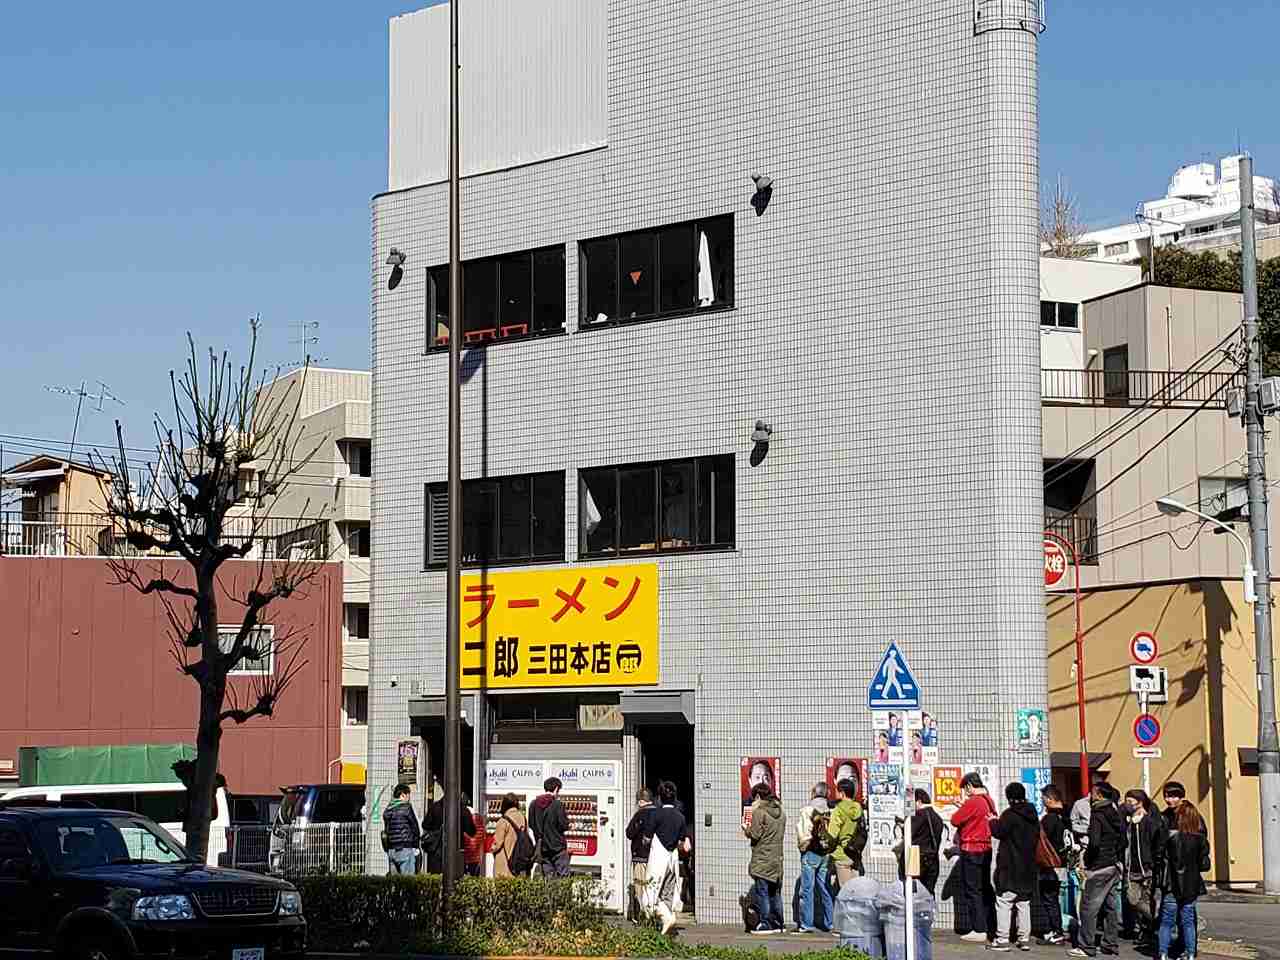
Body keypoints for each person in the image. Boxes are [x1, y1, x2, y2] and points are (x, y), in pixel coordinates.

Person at [1071, 782, 1125, 958]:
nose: (1090, 795)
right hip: (1113, 865)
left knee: (1088, 907)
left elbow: (1094, 842)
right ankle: (1110, 944)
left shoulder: (1097, 814)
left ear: (1099, 795)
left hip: (1099, 865)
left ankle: (1086, 946)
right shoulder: (1115, 812)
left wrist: (1089, 861)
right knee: (1110, 907)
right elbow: (1123, 840)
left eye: (1093, 793)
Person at [989, 782, 1041, 952]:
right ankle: (1024, 938)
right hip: (1028, 867)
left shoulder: (1009, 815)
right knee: (1023, 903)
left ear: (1009, 797)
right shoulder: (1033, 815)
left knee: (1004, 902)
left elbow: (999, 832)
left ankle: (1002, 939)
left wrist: (992, 821)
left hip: (1010, 866)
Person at [1157, 801, 1210, 960]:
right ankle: (1190, 954)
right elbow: (1204, 865)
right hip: (1191, 885)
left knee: (1166, 922)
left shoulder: (1169, 837)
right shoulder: (1200, 839)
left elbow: (1160, 859)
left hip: (1171, 883)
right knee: (1188, 921)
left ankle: (1163, 953)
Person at [951, 772, 998, 943]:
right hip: (986, 848)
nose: (965, 792)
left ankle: (979, 929)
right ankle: (990, 925)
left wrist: (962, 807)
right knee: (985, 887)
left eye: (965, 788)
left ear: (970, 786)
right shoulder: (988, 800)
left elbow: (955, 820)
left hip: (971, 849)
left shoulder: (973, 801)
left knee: (972, 890)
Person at [643, 781, 690, 935]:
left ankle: (667, 918)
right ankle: (666, 925)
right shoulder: (680, 817)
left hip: (658, 858)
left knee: (651, 892)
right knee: (668, 892)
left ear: (660, 798)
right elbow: (682, 842)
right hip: (673, 859)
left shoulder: (655, 814)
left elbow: (647, 838)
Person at [1122, 789, 1166, 947]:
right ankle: (1158, 921)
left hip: (1147, 868)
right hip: (1131, 869)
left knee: (1147, 900)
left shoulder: (1150, 821)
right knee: (1132, 900)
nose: (1127, 804)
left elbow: (1157, 843)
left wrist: (1154, 863)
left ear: (1139, 802)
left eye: (1130, 801)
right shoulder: (1127, 822)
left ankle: (1148, 932)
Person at [744, 780, 787, 934]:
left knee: (762, 892)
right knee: (775, 893)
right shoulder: (781, 812)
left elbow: (755, 834)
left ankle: (765, 923)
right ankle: (778, 923)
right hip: (777, 860)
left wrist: (746, 829)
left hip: (762, 859)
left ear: (757, 797)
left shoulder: (759, 812)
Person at [793, 782, 834, 933]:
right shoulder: (831, 810)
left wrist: (802, 848)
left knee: (807, 889)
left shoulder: (807, 810)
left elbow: (803, 833)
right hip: (826, 853)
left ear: (813, 793)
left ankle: (806, 924)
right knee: (824, 887)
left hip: (810, 852)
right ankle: (830, 922)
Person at [896, 788, 944, 896]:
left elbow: (909, 833)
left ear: (919, 802)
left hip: (916, 859)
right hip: (933, 860)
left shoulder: (919, 815)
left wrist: (902, 826)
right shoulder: (937, 818)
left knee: (913, 893)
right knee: (928, 894)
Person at [422, 784, 478, 874]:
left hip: (436, 851)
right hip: (456, 851)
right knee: (456, 879)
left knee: (436, 880)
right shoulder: (463, 810)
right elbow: (472, 831)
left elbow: (425, 825)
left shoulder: (434, 807)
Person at [1039, 785, 1070, 945]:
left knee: (1049, 898)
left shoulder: (1049, 819)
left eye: (1043, 798)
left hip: (1049, 864)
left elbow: (1041, 842)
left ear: (1049, 799)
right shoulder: (1066, 817)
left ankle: (1056, 932)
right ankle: (1054, 930)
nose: (1042, 801)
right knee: (1053, 897)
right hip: (1062, 862)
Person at [529, 776, 572, 878]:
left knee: (548, 879)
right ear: (556, 788)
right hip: (558, 848)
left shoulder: (533, 804)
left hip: (543, 848)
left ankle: (550, 894)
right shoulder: (557, 804)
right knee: (563, 878)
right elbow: (563, 825)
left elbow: (531, 824)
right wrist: (569, 824)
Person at [828, 777, 867, 887]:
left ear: (842, 793)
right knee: (856, 893)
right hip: (855, 854)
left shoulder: (838, 810)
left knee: (846, 894)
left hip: (842, 855)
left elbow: (832, 834)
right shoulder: (858, 808)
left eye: (837, 790)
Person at [626, 788, 657, 921]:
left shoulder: (640, 814)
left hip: (640, 856)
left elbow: (629, 833)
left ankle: (644, 916)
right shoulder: (658, 813)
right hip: (656, 857)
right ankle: (654, 914)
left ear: (641, 801)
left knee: (640, 886)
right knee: (653, 886)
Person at [383, 783, 420, 876]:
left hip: (391, 850)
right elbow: (415, 827)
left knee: (395, 884)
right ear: (402, 795)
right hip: (405, 849)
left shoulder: (388, 809)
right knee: (408, 882)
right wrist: (416, 845)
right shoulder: (406, 807)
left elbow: (386, 831)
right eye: (408, 796)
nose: (409, 798)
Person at [491, 793, 531, 878]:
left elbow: (497, 844)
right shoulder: (523, 818)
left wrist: (492, 849)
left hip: (505, 861)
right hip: (520, 861)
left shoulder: (503, 820)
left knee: (503, 887)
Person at [461, 794, 485, 877]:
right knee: (475, 876)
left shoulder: (464, 815)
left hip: (467, 852)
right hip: (477, 853)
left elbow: (466, 836)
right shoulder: (479, 817)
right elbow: (482, 835)